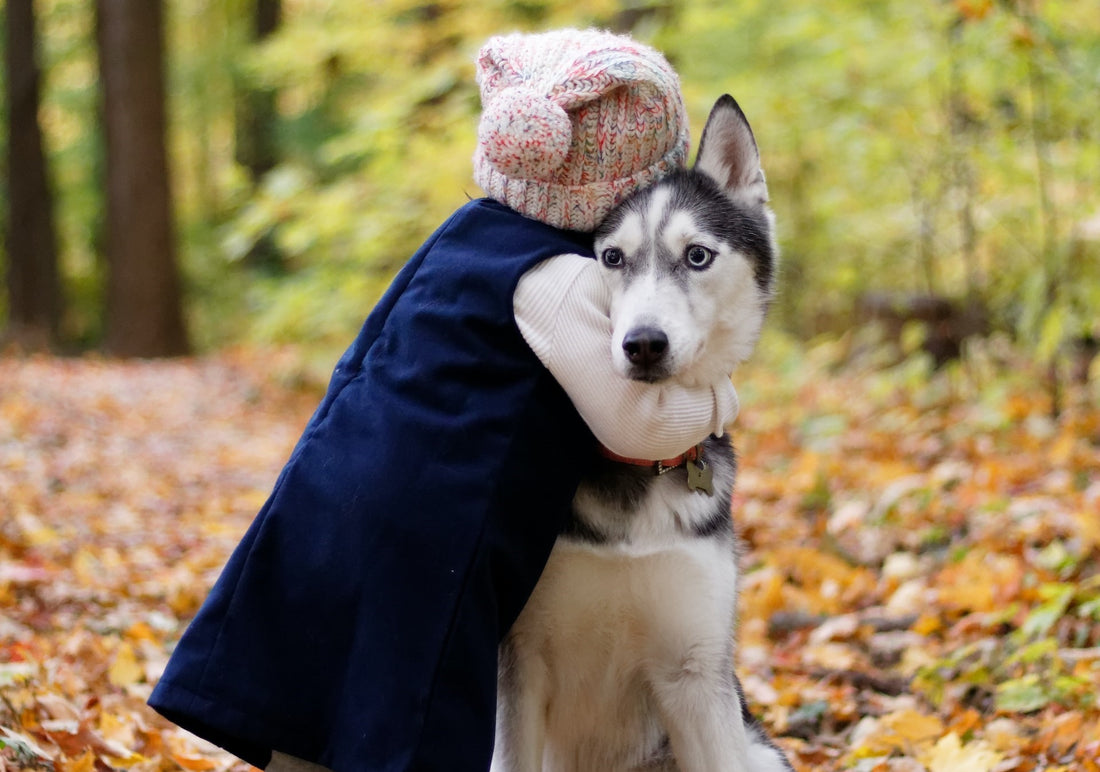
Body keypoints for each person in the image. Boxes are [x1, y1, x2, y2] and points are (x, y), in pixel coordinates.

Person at [148, 28, 739, 772]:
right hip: (431, 525)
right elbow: (637, 423)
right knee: (403, 706)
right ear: (627, 185)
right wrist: (720, 400)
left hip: (331, 490)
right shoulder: (559, 279)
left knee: (317, 690)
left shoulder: (459, 235)